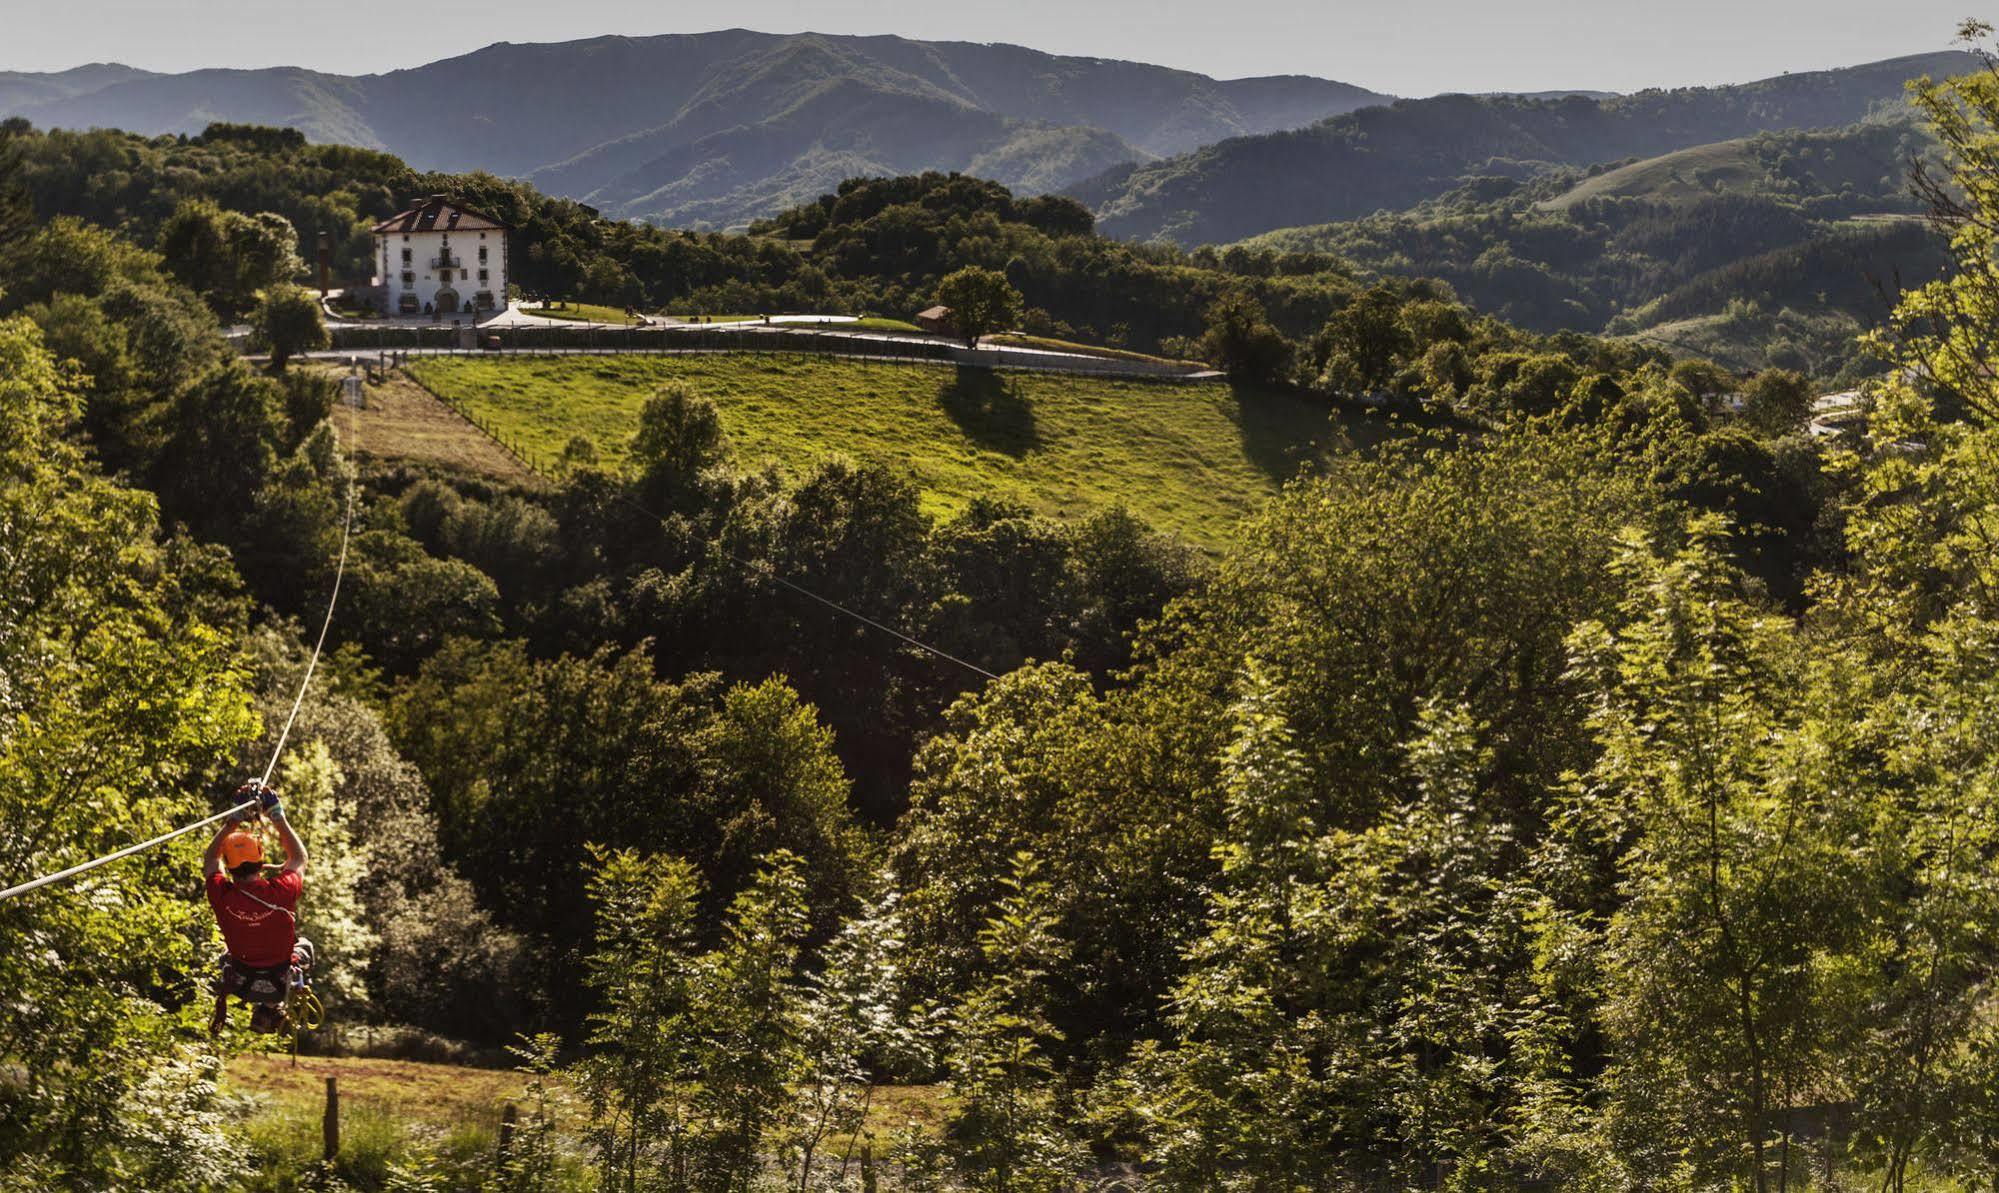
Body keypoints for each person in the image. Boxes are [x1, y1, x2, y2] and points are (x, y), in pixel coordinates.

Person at [203, 781, 310, 1034]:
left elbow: (210, 860)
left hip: (244, 973)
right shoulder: (281, 890)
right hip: (269, 974)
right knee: (306, 946)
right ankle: (271, 1004)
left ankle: (269, 1003)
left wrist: (233, 822)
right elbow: (299, 858)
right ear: (261, 862)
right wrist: (277, 817)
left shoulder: (222, 895)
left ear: (229, 866)